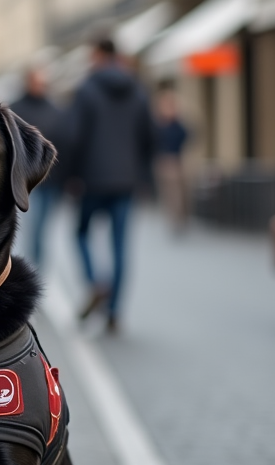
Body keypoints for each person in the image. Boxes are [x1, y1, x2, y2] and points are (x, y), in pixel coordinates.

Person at [65, 39, 156, 333]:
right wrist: (142, 174)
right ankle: (115, 311)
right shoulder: (138, 90)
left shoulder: (87, 89)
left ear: (99, 55)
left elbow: (73, 136)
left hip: (92, 178)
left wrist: (72, 175)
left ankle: (95, 282)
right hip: (126, 180)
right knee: (120, 246)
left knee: (81, 233)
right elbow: (151, 137)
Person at [10, 65, 69, 269]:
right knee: (33, 226)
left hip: (52, 180)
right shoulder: (14, 110)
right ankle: (33, 266)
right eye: (37, 82)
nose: (40, 86)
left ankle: (37, 266)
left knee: (43, 227)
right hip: (25, 180)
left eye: (43, 82)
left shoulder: (56, 110)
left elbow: (64, 145)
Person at [153, 85, 190, 231]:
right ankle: (175, 218)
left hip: (177, 159)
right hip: (164, 160)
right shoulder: (159, 124)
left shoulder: (177, 124)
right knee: (170, 193)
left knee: (180, 192)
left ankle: (181, 217)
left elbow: (187, 135)